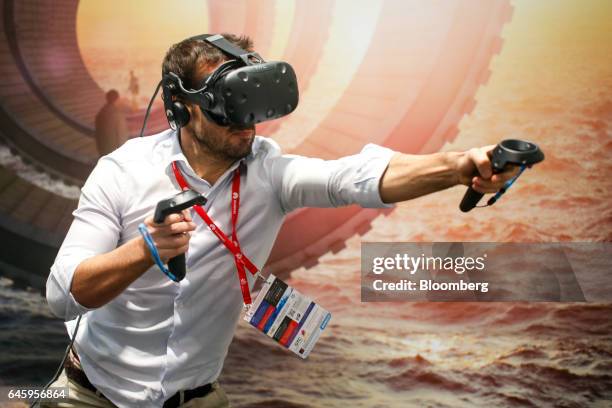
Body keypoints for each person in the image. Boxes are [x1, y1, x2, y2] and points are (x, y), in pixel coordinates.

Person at [45, 34, 518, 408]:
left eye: (255, 104)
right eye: (229, 105)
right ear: (180, 106)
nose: (247, 122)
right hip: (89, 394)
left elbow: (351, 177)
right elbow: (62, 294)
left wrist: (459, 167)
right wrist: (144, 249)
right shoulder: (122, 172)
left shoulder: (268, 171)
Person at [94, 90, 129, 157]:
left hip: (102, 151)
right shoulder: (117, 115)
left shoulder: (100, 114)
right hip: (114, 153)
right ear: (117, 99)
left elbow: (97, 134)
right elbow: (121, 136)